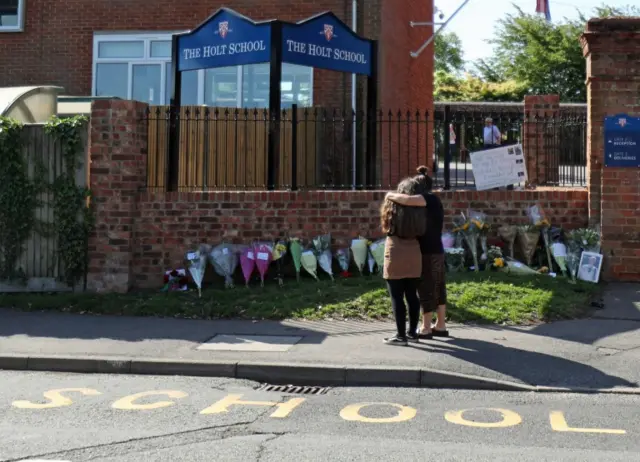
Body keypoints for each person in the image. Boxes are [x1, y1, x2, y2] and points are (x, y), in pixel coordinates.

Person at [385, 166, 448, 339]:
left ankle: (426, 327)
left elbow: (405, 200)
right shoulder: (433, 202)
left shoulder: (428, 199)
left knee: (426, 289)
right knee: (439, 287)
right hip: (437, 250)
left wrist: (389, 195)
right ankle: (440, 325)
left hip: (426, 252)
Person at [380, 177, 427, 346]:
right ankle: (412, 332)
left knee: (396, 296)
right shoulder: (420, 209)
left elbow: (386, 226)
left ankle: (400, 336)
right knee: (412, 295)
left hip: (395, 250)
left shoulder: (393, 205)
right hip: (414, 251)